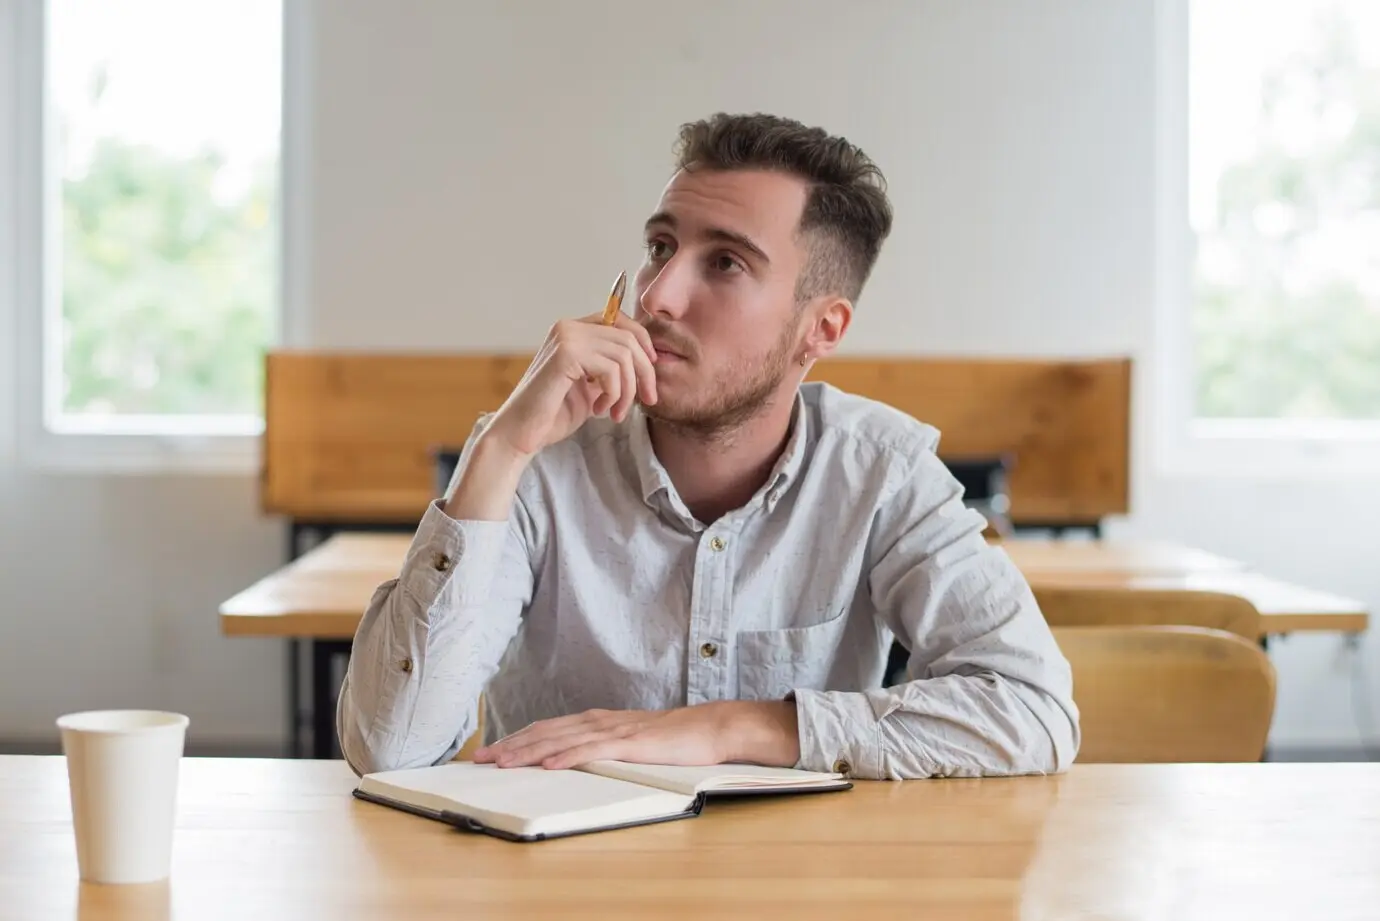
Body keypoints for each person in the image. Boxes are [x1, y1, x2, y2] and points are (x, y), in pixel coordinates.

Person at [337, 112, 1080, 780]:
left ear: (821, 328)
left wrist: (734, 727)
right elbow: (388, 750)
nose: (656, 296)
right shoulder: (539, 458)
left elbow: (1033, 709)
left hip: (797, 871)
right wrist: (500, 448)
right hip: (564, 871)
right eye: (660, 247)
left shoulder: (879, 471)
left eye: (725, 262)